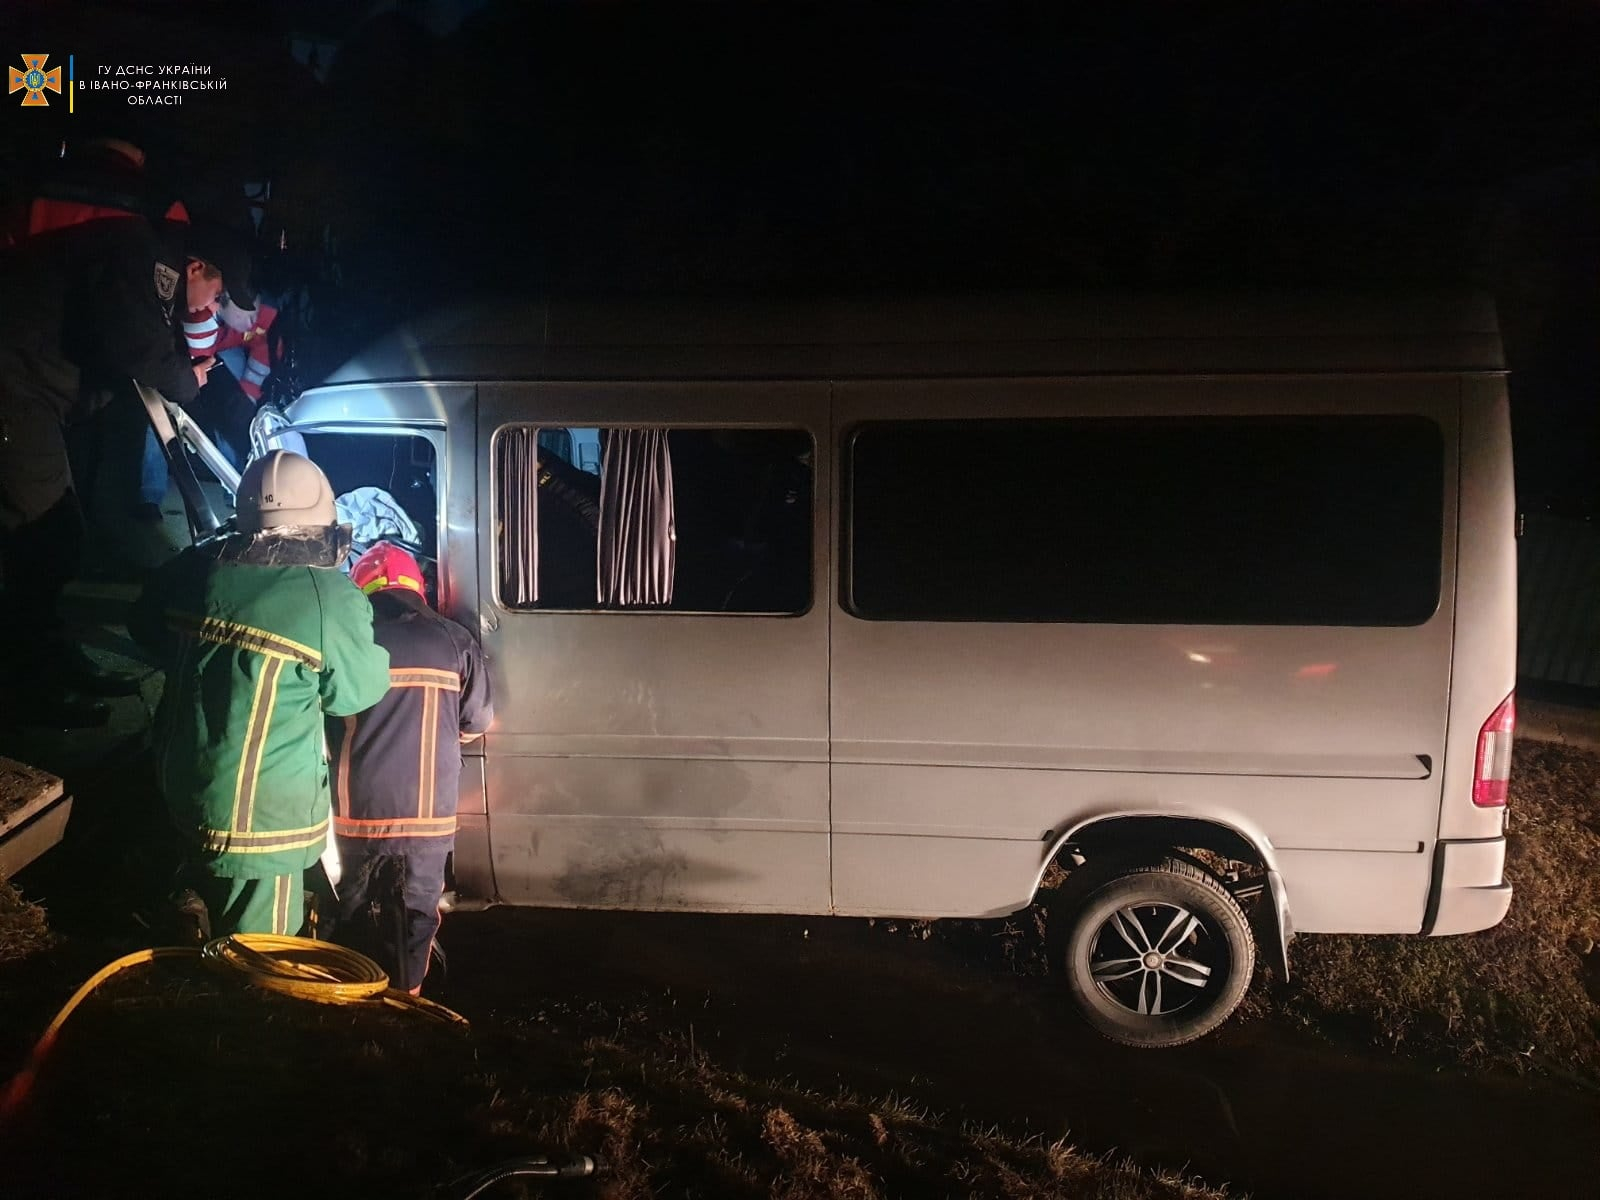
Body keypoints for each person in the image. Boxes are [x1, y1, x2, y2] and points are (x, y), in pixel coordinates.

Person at [0, 179, 245, 724]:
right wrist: (185, 380)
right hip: (15, 384)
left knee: (58, 533)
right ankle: (25, 688)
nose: (212, 307)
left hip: (30, 386)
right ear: (196, 268)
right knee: (43, 537)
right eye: (217, 294)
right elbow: (139, 348)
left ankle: (49, 660)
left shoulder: (146, 260)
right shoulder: (145, 259)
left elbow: (144, 346)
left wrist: (186, 376)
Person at [128, 451, 391, 938]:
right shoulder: (327, 597)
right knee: (260, 953)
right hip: (260, 818)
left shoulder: (195, 568)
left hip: (182, 784)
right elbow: (355, 693)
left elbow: (142, 625)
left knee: (202, 906)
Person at [328, 541, 493, 993]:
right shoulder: (454, 640)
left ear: (362, 590)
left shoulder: (347, 640)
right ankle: (408, 1006)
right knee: (416, 921)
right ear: (418, 588)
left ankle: (350, 1007)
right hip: (427, 816)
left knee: (352, 917)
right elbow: (477, 722)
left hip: (358, 813)